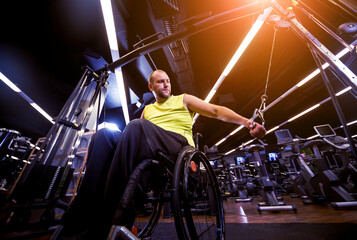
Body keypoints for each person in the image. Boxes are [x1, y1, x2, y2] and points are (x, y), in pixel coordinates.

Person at [59, 69, 266, 239]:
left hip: (177, 149)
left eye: (167, 81)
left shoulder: (183, 100)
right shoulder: (148, 110)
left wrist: (247, 122)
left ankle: (115, 215)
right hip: (151, 150)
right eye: (160, 82)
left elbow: (216, 111)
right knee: (103, 136)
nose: (166, 84)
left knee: (135, 126)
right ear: (151, 87)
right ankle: (82, 213)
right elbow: (132, 137)